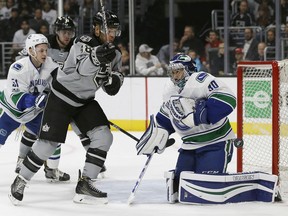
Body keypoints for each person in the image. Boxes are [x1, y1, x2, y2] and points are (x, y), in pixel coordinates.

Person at [9, 10, 124, 205]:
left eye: (115, 30)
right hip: (61, 97)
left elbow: (113, 82)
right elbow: (80, 69)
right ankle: (20, 181)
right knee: (47, 145)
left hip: (84, 101)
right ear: (96, 29)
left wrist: (115, 81)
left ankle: (86, 183)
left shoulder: (115, 53)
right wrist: (97, 57)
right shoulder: (82, 42)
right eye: (109, 29)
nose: (112, 34)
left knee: (104, 136)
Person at [135, 53, 236, 203]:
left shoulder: (201, 80)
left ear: (189, 70)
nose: (175, 77)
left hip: (216, 143)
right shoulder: (169, 90)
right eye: (172, 72)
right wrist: (157, 133)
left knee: (206, 189)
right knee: (179, 187)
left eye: (178, 71)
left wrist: (200, 115)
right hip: (189, 147)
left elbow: (228, 100)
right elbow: (165, 118)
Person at [0, 34, 57, 160]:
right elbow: (17, 98)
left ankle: (49, 169)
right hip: (9, 111)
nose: (45, 54)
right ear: (31, 50)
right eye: (41, 50)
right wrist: (36, 100)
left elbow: (63, 81)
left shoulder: (50, 65)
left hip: (33, 112)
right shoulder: (18, 68)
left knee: (53, 135)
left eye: (46, 50)